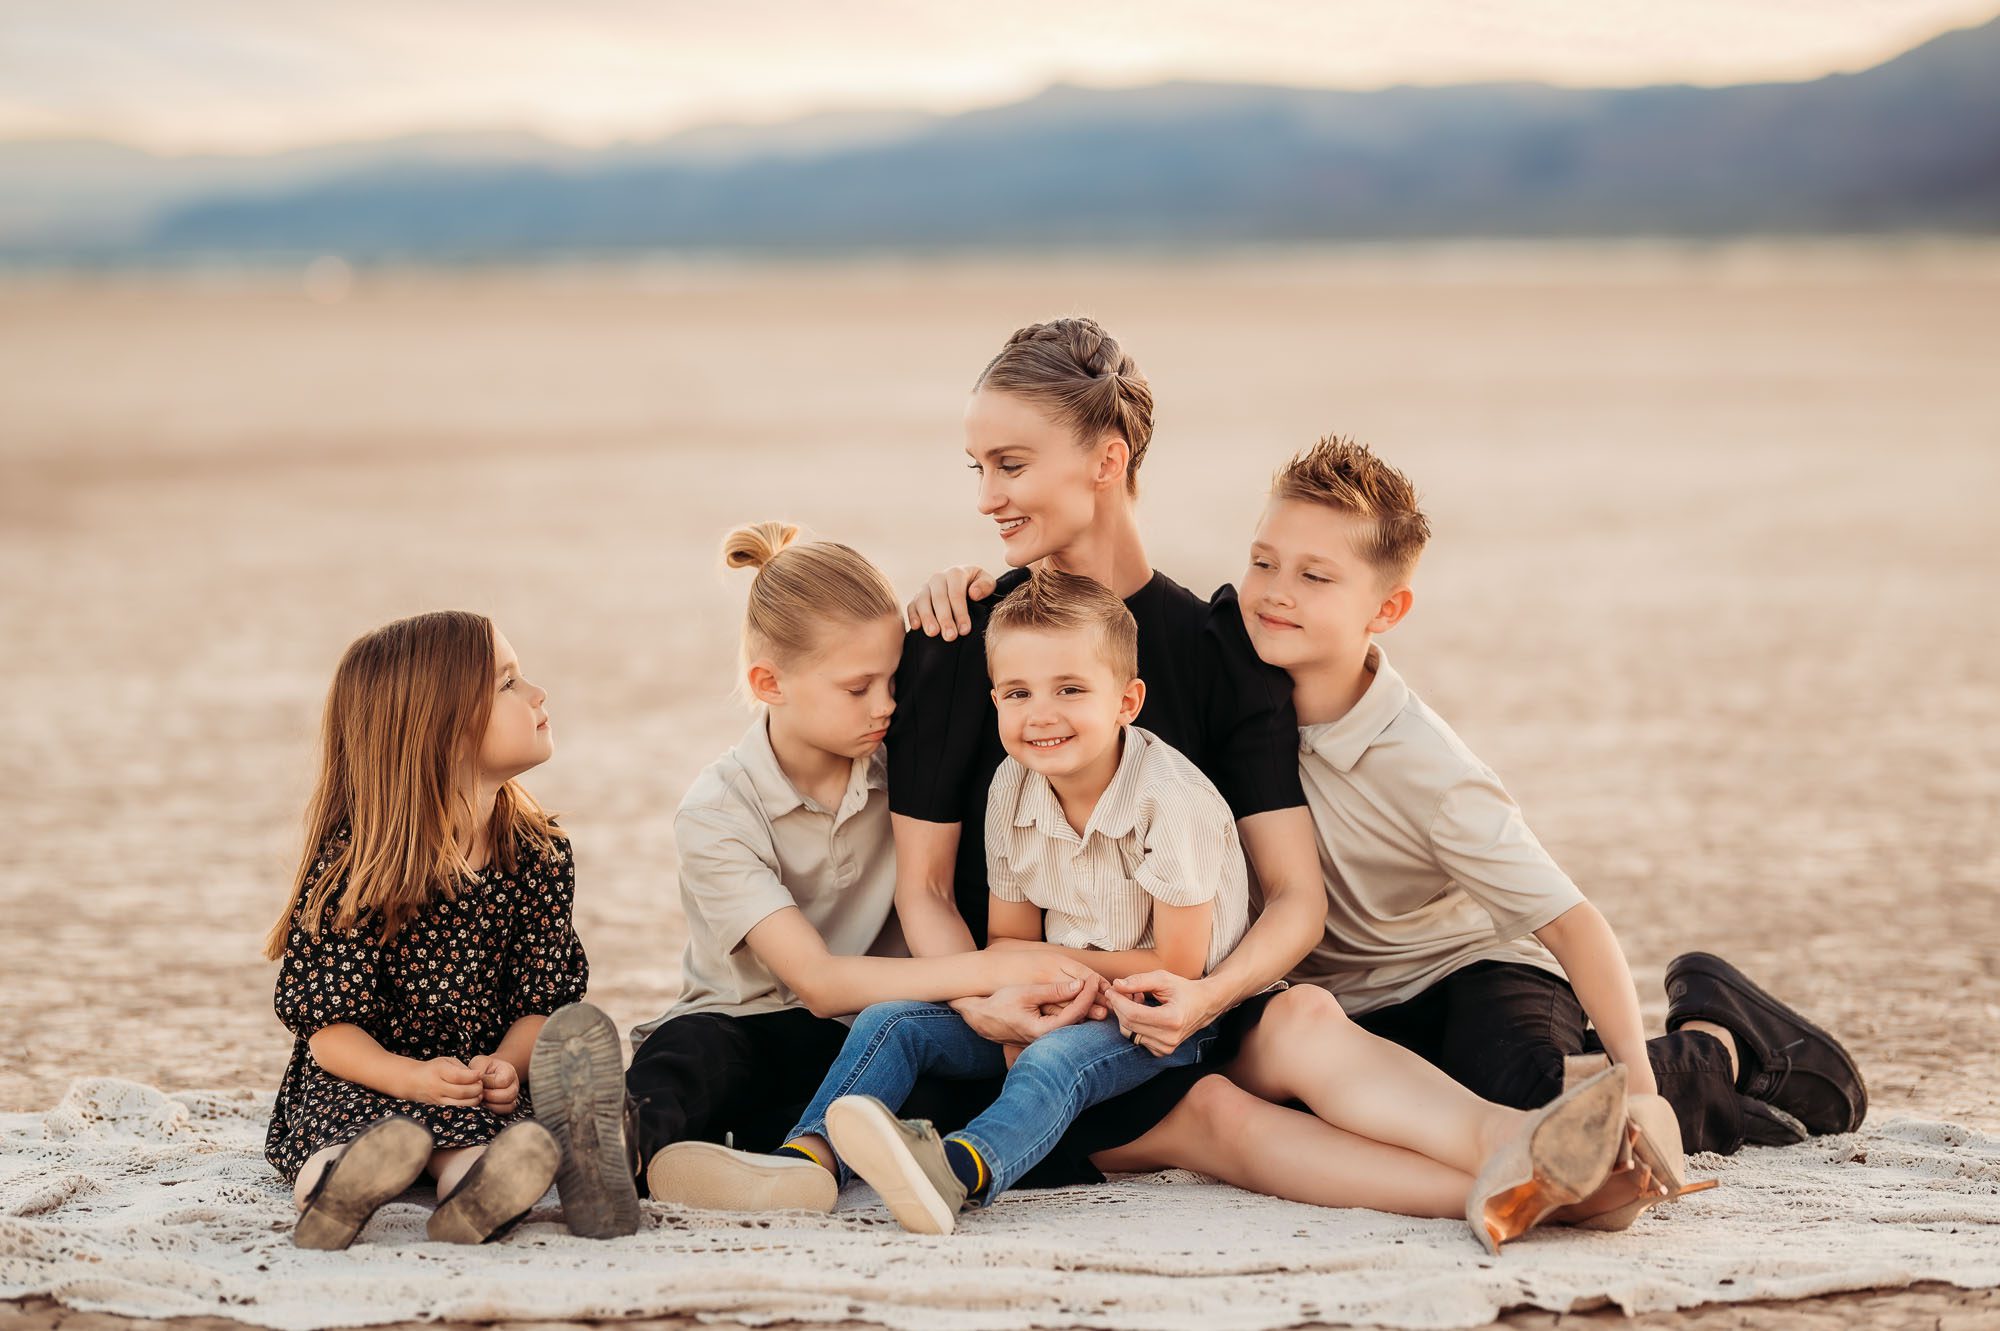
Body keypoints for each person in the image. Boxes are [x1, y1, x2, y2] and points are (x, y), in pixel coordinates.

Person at [883, 319, 1659, 1251]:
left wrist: (1211, 997)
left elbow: (1294, 897)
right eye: (977, 468)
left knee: (1300, 1012)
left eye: (1008, 464)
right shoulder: (958, 643)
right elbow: (923, 888)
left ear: (1105, 458)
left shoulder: (1224, 648)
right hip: (1023, 1025)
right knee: (1220, 1121)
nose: (987, 498)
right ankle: (1535, 1191)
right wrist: (980, 1001)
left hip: (1196, 1009)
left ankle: (1516, 1146)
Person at [1231, 435, 1867, 1178]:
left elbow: (1572, 922)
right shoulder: (1227, 679)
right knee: (1354, 1113)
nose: (1276, 590)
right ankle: (1724, 1100)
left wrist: (1634, 1082)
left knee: (1547, 1109)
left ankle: (1718, 1043)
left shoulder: (1428, 768)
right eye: (1262, 560)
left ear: (1388, 608)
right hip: (1344, 1007)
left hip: (1468, 971)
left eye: (1316, 576)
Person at [530, 524, 1103, 1236]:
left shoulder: (903, 767)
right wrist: (984, 971)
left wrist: (963, 592)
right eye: (858, 686)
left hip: (868, 1039)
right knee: (688, 1058)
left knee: (932, 1076)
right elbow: (818, 982)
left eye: (894, 678)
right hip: (751, 1026)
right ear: (769, 682)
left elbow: (1017, 655)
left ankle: (776, 1165)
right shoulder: (718, 809)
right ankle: (616, 1147)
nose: (887, 705)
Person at [764, 569, 1255, 1233]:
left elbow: (1177, 965)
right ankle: (808, 1159)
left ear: (1127, 700)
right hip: (1061, 991)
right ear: (994, 697)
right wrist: (1031, 994)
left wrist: (1048, 974)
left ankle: (957, 1170)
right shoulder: (1013, 789)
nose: (1040, 713)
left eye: (1071, 689)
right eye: (1017, 692)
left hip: (1162, 1020)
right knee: (894, 1021)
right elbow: (1007, 945)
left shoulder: (1171, 802)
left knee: (1053, 1060)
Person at [263, 611, 585, 1249]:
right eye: (507, 685)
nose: (537, 694)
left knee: (488, 1139)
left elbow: (541, 1001)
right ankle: (334, 1190)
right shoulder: (362, 867)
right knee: (354, 1133)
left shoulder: (538, 853)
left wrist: (504, 1068)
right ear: (438, 730)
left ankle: (476, 1195)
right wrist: (407, 1078)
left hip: (469, 1081)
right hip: (365, 1074)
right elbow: (330, 1033)